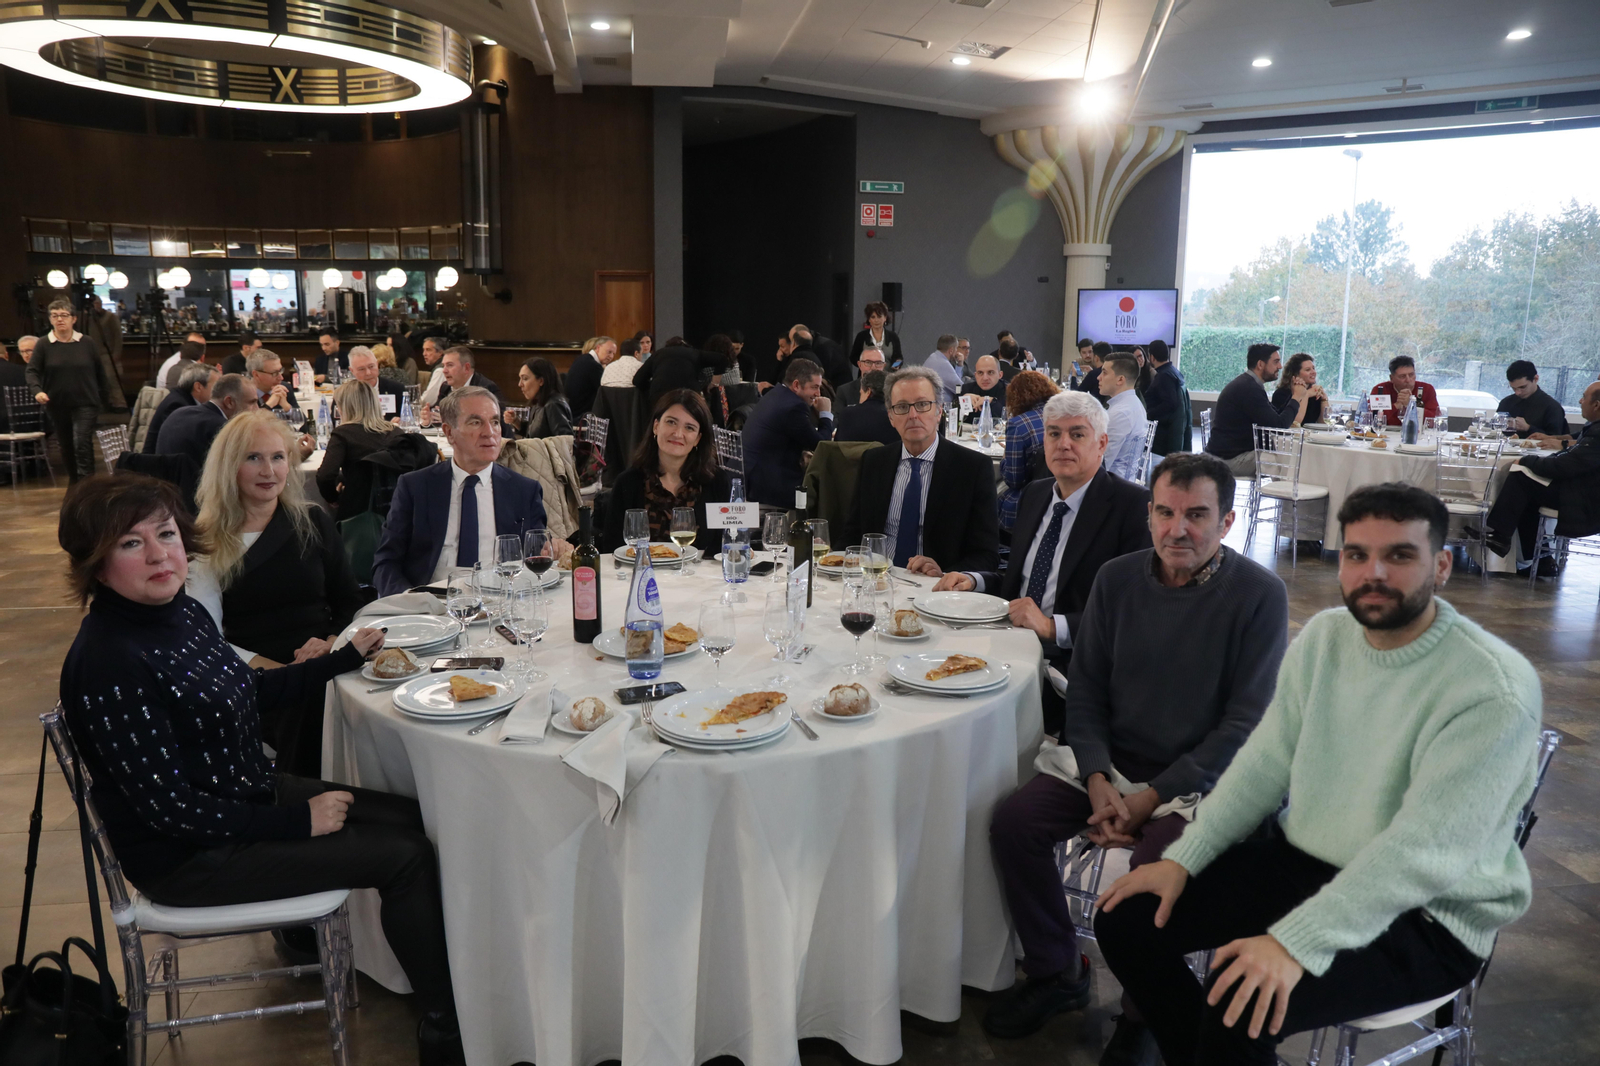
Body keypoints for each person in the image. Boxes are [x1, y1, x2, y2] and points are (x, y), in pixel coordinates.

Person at [1095, 483, 1540, 1066]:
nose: (1373, 572)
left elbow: (1421, 852)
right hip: (1309, 864)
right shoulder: (1329, 637)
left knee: (1240, 1006)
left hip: (1431, 914)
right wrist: (1186, 857)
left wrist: (1293, 943)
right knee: (1126, 922)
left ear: (1443, 566)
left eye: (1400, 555)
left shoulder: (1490, 689)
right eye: (1356, 554)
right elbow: (1265, 760)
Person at [56, 474, 465, 1065]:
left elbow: (244, 690)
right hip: (194, 856)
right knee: (404, 857)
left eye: (166, 534)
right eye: (129, 544)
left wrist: (342, 659)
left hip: (246, 798)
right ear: (95, 565)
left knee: (417, 817)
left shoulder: (180, 612)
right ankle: (445, 1028)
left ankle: (446, 980)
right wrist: (298, 823)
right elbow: (171, 811)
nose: (159, 554)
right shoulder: (109, 663)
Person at [983, 452, 1289, 1043]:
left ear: (1227, 522)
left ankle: (1141, 1016)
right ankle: (1055, 969)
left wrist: (1151, 799)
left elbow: (1243, 725)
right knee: (1013, 823)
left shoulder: (1259, 595)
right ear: (1149, 515)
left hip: (1201, 781)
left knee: (1149, 878)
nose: (1179, 529)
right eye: (1166, 512)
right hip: (1112, 765)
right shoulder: (1116, 578)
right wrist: (1097, 777)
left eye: (1197, 515)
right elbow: (1089, 690)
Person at [934, 389, 1151, 730]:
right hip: (1006, 642)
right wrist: (974, 580)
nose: (1063, 443)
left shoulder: (1131, 507)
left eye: (1077, 434)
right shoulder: (1037, 494)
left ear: (1102, 443)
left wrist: (1053, 627)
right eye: (1054, 433)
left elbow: (1134, 611)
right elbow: (1019, 581)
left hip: (1069, 662)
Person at [187, 411, 365, 771]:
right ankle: (308, 804)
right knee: (308, 706)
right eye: (253, 458)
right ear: (228, 466)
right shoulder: (202, 542)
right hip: (255, 677)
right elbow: (207, 640)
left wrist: (331, 640)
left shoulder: (312, 521)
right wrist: (285, 676)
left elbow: (349, 601)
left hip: (324, 661)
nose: (269, 471)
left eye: (278, 457)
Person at [373, 386, 548, 596]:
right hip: (430, 605)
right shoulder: (416, 487)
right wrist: (409, 601)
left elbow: (537, 560)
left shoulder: (523, 491)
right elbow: (386, 562)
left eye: (494, 422)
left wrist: (554, 549)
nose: (489, 432)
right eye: (476, 422)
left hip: (500, 602)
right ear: (449, 433)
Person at [844, 366, 1000, 575]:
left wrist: (945, 574)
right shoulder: (874, 461)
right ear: (890, 416)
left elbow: (986, 555)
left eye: (922, 404)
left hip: (937, 591)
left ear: (939, 411)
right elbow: (852, 534)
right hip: (876, 581)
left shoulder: (972, 468)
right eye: (901, 407)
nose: (912, 415)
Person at [1471, 379, 1600, 574]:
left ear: (1596, 405)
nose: (1580, 401)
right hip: (1581, 490)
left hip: (1585, 501)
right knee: (1526, 488)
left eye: (1584, 397)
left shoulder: (1596, 433)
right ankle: (1540, 559)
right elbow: (1571, 450)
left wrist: (1526, 461)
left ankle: (1500, 536)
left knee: (1521, 477)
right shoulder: (1594, 428)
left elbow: (1562, 466)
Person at [600, 390, 734, 553]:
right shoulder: (628, 483)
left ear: (698, 438)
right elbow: (611, 548)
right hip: (642, 575)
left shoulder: (717, 482)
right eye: (671, 422)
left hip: (700, 577)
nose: (678, 434)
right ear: (656, 427)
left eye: (689, 428)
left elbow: (727, 543)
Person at [26, 298, 108, 483]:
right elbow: (32, 371)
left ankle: (87, 484)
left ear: (73, 319)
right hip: (57, 403)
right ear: (50, 319)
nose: (59, 319)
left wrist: (104, 398)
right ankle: (74, 482)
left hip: (86, 402)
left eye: (64, 315)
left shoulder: (86, 342)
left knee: (82, 442)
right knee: (67, 446)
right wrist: (37, 390)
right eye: (55, 316)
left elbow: (100, 372)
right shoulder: (43, 344)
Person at [741, 357, 836, 508]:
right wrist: (825, 414)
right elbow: (821, 446)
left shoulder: (776, 394)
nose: (818, 393)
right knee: (828, 494)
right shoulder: (794, 407)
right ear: (796, 385)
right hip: (772, 487)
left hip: (753, 478)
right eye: (815, 387)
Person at [1206, 343, 1309, 476]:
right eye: (1276, 361)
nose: (1280, 366)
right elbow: (1279, 426)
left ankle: (1285, 494)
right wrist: (1296, 397)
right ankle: (1287, 495)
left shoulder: (1249, 384)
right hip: (1227, 460)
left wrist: (1296, 397)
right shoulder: (1248, 388)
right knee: (1287, 460)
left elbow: (1276, 417)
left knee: (1285, 456)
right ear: (1260, 364)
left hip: (1226, 454)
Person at [317, 380, 404, 518]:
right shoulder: (397, 432)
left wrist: (333, 497)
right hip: (397, 507)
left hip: (358, 511)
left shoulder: (343, 433)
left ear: (344, 407)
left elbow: (325, 476)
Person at [999, 370, 1061, 533]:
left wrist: (1005, 458)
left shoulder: (1018, 424)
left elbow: (1014, 479)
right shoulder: (1063, 417)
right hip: (1063, 494)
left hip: (1030, 501)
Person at [156, 374, 259, 472]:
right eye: (252, 402)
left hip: (163, 486)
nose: (257, 409)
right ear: (229, 402)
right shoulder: (222, 428)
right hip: (194, 488)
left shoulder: (180, 412)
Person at [143, 363, 218, 454]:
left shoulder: (182, 398)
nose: (219, 391)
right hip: (158, 465)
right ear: (198, 387)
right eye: (216, 386)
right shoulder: (178, 405)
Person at [633, 338, 729, 406]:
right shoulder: (694, 353)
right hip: (689, 395)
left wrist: (653, 385)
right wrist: (713, 384)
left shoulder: (658, 354)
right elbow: (723, 359)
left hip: (660, 396)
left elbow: (637, 380)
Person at [1098, 354, 1149, 482]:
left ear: (1120, 380)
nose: (1099, 378)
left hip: (1113, 488)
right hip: (1126, 482)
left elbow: (1101, 463)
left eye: (1104, 373)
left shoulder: (1120, 413)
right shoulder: (1133, 403)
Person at [422, 346, 502, 425]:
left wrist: (450, 421)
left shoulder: (486, 389)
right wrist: (429, 420)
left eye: (450, 365)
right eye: (443, 366)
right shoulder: (445, 387)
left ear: (466, 368)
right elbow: (438, 416)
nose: (444, 371)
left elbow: (496, 426)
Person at [503, 357, 573, 439]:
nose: (520, 384)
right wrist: (516, 422)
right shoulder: (539, 403)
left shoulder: (554, 404)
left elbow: (566, 442)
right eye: (520, 379)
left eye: (525, 378)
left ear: (541, 381)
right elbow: (536, 434)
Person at [1497, 359, 1569, 439]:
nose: (1518, 392)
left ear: (1536, 379)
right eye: (1513, 388)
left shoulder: (1552, 407)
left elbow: (1556, 440)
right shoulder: (1506, 403)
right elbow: (1495, 431)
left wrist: (1528, 428)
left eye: (1522, 387)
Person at [1143, 340, 1192, 457]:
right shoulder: (1174, 372)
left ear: (1152, 357)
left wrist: (1148, 414)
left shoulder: (1164, 376)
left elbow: (1169, 403)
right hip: (1174, 430)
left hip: (1164, 434)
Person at [832, 370, 899, 447]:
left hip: (851, 458)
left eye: (861, 393)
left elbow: (837, 446)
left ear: (868, 391)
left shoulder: (847, 414)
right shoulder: (895, 416)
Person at [1370, 355, 1440, 427]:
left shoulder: (1427, 389)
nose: (1408, 380)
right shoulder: (1380, 389)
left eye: (1411, 375)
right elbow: (1373, 420)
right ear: (1391, 378)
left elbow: (1433, 421)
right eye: (1402, 376)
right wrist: (1396, 405)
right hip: (1386, 434)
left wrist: (1411, 405)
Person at [85, 294, 127, 410]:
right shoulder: (88, 318)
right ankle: (104, 404)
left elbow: (118, 337)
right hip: (93, 354)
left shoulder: (110, 317)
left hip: (108, 354)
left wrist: (116, 354)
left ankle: (119, 404)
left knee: (112, 380)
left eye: (96, 304)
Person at [347, 345, 405, 419]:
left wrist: (399, 422)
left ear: (377, 365)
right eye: (361, 369)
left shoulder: (396, 389)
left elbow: (408, 421)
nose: (368, 373)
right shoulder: (344, 394)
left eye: (371, 367)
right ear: (352, 371)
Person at [1272, 353, 1327, 426]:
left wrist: (1324, 399)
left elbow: (1324, 423)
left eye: (1313, 368)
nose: (1313, 372)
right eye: (1308, 370)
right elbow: (1295, 424)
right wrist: (1306, 395)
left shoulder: (1314, 393)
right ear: (1295, 374)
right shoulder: (1281, 394)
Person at [566, 336, 614, 419]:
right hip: (582, 416)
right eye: (609, 352)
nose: (611, 356)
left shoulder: (581, 359)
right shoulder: (593, 366)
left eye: (613, 353)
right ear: (598, 347)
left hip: (572, 412)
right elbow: (606, 392)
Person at [849, 301, 903, 370]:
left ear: (885, 318)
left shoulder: (893, 336)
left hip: (888, 377)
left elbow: (899, 358)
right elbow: (853, 357)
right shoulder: (861, 336)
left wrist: (896, 365)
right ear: (869, 319)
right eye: (873, 317)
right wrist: (863, 366)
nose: (876, 320)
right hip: (867, 377)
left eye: (879, 316)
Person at [246, 349, 297, 414]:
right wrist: (269, 405)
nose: (281, 378)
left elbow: (304, 423)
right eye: (274, 373)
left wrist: (287, 408)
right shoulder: (243, 394)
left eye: (280, 371)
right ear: (256, 375)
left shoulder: (284, 388)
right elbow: (248, 423)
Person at [960, 355, 1007, 422]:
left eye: (990, 372)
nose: (985, 378)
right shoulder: (967, 389)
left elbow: (1010, 418)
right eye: (980, 373)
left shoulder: (1010, 391)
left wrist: (992, 402)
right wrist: (963, 401)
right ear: (975, 375)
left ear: (1000, 375)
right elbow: (955, 418)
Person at [922, 334, 964, 405]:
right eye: (956, 348)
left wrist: (959, 365)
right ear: (951, 350)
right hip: (941, 407)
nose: (957, 351)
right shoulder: (942, 363)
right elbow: (959, 388)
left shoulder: (933, 357)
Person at [418, 335, 448, 402]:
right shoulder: (438, 367)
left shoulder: (440, 370)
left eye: (428, 350)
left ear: (440, 353)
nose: (424, 354)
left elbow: (428, 399)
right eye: (423, 350)